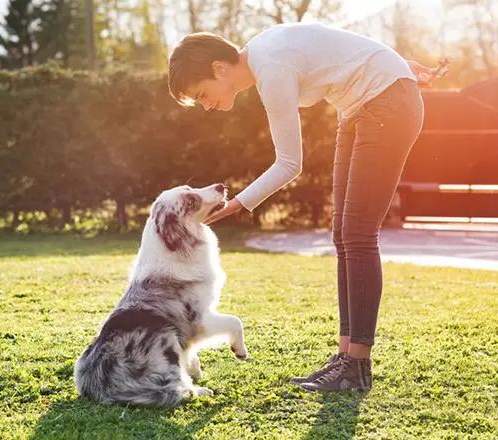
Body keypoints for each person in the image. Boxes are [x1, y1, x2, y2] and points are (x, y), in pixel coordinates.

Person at [167, 22, 446, 392]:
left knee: (359, 234)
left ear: (219, 68)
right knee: (344, 234)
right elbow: (337, 44)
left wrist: (237, 204)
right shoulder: (265, 52)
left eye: (203, 94)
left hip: (385, 104)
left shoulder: (271, 66)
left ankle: (357, 365)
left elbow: (289, 164)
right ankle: (347, 356)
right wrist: (395, 64)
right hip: (364, 105)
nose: (206, 105)